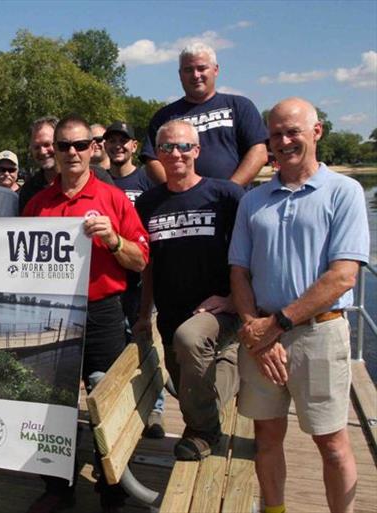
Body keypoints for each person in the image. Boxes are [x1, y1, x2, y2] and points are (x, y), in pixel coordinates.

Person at [229, 98, 369, 513]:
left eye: (293, 131)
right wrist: (256, 327)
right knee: (267, 439)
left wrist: (279, 324)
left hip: (318, 334)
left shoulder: (344, 192)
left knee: (331, 443)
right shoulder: (253, 201)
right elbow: (239, 271)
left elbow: (343, 275)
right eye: (276, 134)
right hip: (261, 338)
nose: (284, 141)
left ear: (317, 131)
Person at [23, 114, 149, 513]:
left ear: (93, 150)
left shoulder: (112, 198)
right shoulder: (37, 205)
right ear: (54, 152)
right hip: (53, 314)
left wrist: (113, 240)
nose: (72, 153)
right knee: (53, 404)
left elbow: (141, 259)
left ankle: (111, 487)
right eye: (64, 146)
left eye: (80, 145)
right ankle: (58, 485)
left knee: (106, 402)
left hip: (102, 313)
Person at [134, 120, 244, 461]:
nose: (176, 154)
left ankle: (203, 434)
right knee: (189, 391)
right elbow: (147, 265)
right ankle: (231, 365)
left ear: (196, 151)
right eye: (167, 147)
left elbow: (251, 254)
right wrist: (142, 315)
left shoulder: (226, 195)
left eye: (183, 146)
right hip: (170, 316)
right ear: (158, 155)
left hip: (219, 311)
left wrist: (234, 299)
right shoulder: (148, 203)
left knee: (191, 343)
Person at [103, 121, 163, 438]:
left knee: (141, 336)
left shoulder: (146, 180)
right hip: (109, 275)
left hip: (140, 272)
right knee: (116, 344)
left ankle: (155, 407)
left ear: (134, 146)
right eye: (111, 141)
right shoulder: (100, 180)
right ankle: (123, 403)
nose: (117, 146)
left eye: (122, 141)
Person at [140, 43, 268, 186]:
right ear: (180, 74)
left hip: (233, 204)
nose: (195, 75)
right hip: (182, 204)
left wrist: (230, 191)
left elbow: (259, 152)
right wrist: (175, 194)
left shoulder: (240, 106)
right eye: (188, 70)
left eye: (201, 68)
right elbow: (152, 160)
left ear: (215, 70)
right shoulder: (164, 117)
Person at [19, 116, 115, 214]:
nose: (42, 152)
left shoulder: (99, 176)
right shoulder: (29, 191)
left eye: (47, 144)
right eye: (36, 147)